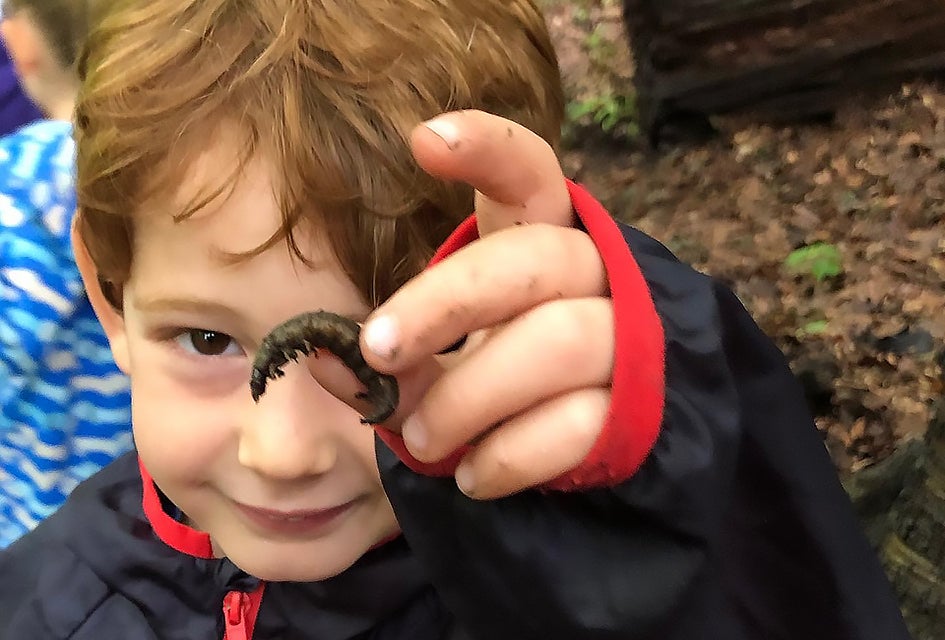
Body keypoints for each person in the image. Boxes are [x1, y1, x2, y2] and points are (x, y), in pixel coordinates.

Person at [0, 1, 911, 638]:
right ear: (108, 291)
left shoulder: (545, 588)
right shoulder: (42, 602)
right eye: (205, 340)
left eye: (372, 359)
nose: (281, 454)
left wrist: (645, 508)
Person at [0, 0, 132, 548]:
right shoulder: (183, 189)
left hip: (24, 540)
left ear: (20, 46)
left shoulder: (19, 183)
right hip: (142, 538)